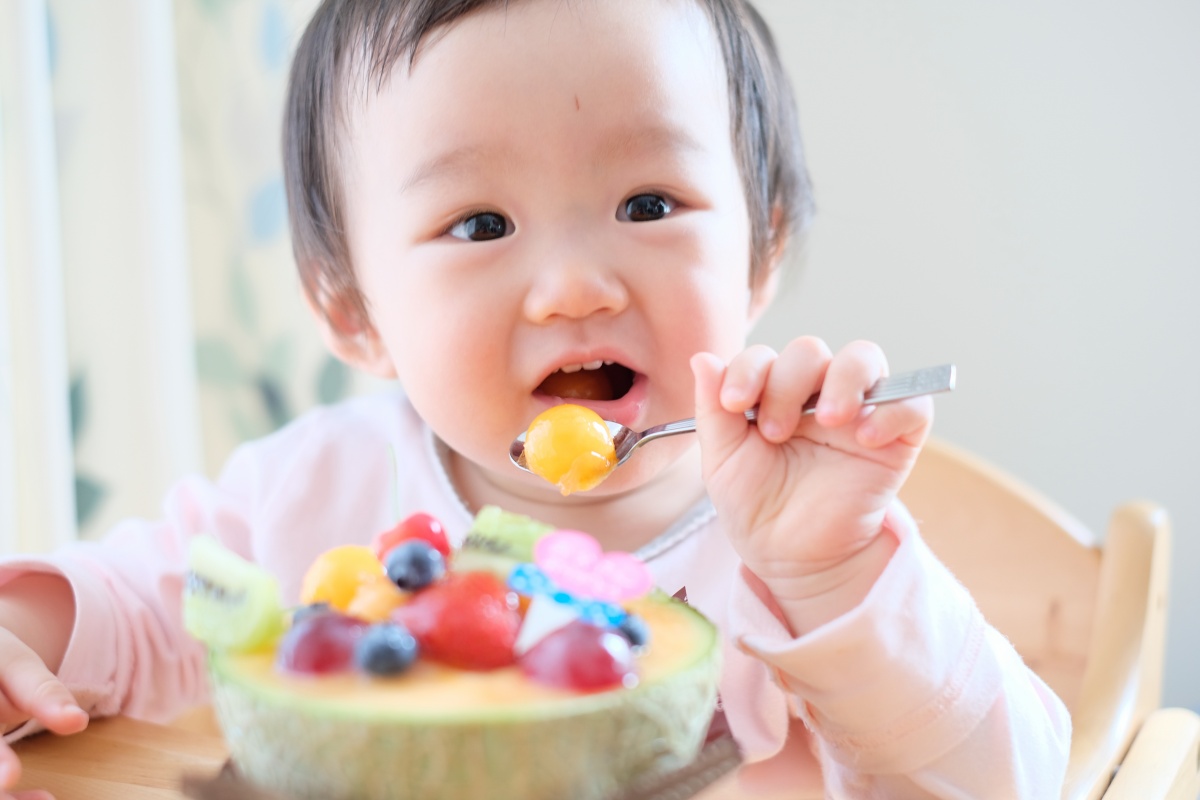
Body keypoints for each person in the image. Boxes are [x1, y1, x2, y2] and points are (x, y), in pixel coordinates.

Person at [0, 0, 1071, 797]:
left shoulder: (802, 540)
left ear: (763, 249)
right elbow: (137, 611)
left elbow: (1012, 781)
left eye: (648, 202)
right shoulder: (314, 493)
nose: (575, 287)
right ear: (353, 309)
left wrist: (834, 577)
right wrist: (19, 633)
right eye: (479, 224)